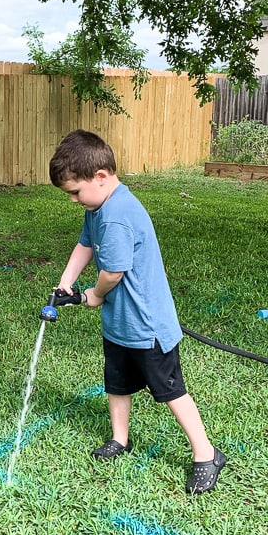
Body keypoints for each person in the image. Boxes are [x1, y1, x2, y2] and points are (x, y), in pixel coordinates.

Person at [49, 128, 226, 494]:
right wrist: (66, 282)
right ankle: (120, 439)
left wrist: (92, 296)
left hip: (148, 327)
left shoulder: (116, 215)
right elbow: (85, 244)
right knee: (117, 383)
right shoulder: (97, 207)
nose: (73, 200)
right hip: (120, 324)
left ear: (100, 177)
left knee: (171, 391)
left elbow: (111, 273)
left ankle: (206, 454)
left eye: (74, 192)